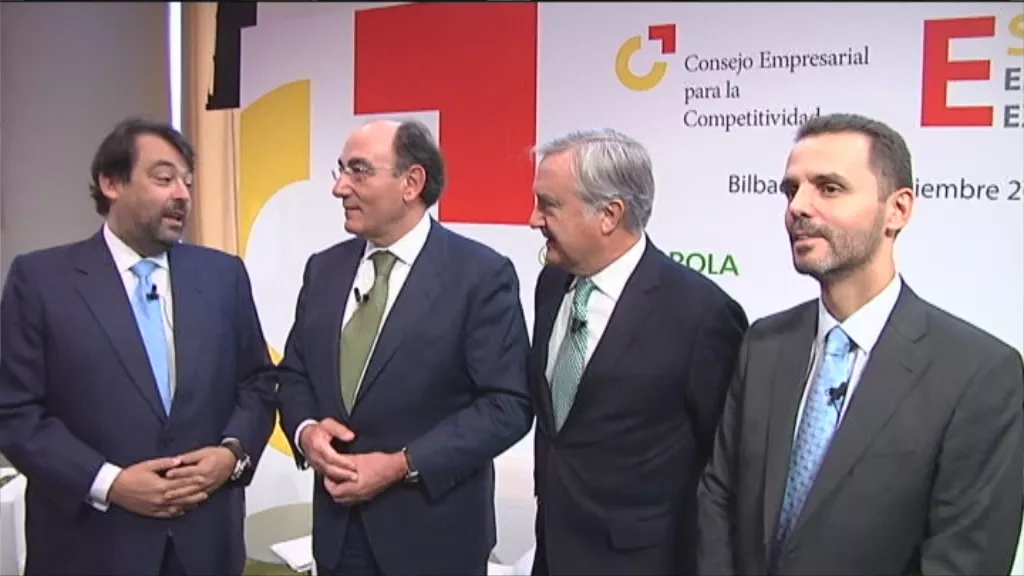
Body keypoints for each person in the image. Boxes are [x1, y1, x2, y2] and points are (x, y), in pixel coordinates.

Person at [697, 113, 1024, 575]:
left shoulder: (979, 373)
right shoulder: (764, 344)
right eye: (791, 190)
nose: (798, 207)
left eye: (829, 188)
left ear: (898, 210)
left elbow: (966, 558)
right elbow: (719, 497)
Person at [0, 117, 278, 576]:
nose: (182, 195)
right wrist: (109, 483)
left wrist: (231, 454)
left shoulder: (222, 275)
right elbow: (15, 413)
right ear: (111, 183)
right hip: (91, 547)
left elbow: (258, 383)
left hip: (204, 546)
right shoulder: (41, 281)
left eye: (187, 182)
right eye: (164, 179)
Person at [276, 119, 533, 576]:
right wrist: (306, 432)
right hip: (338, 537)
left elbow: (507, 405)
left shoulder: (479, 275)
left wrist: (402, 464)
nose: (339, 187)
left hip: (434, 542)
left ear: (411, 182)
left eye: (358, 171)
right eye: (340, 170)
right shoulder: (324, 270)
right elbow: (295, 374)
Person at [526, 128, 748, 576]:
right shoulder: (551, 283)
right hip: (552, 552)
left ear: (609, 215)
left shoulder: (701, 314)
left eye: (548, 205)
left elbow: (725, 465)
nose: (533, 220)